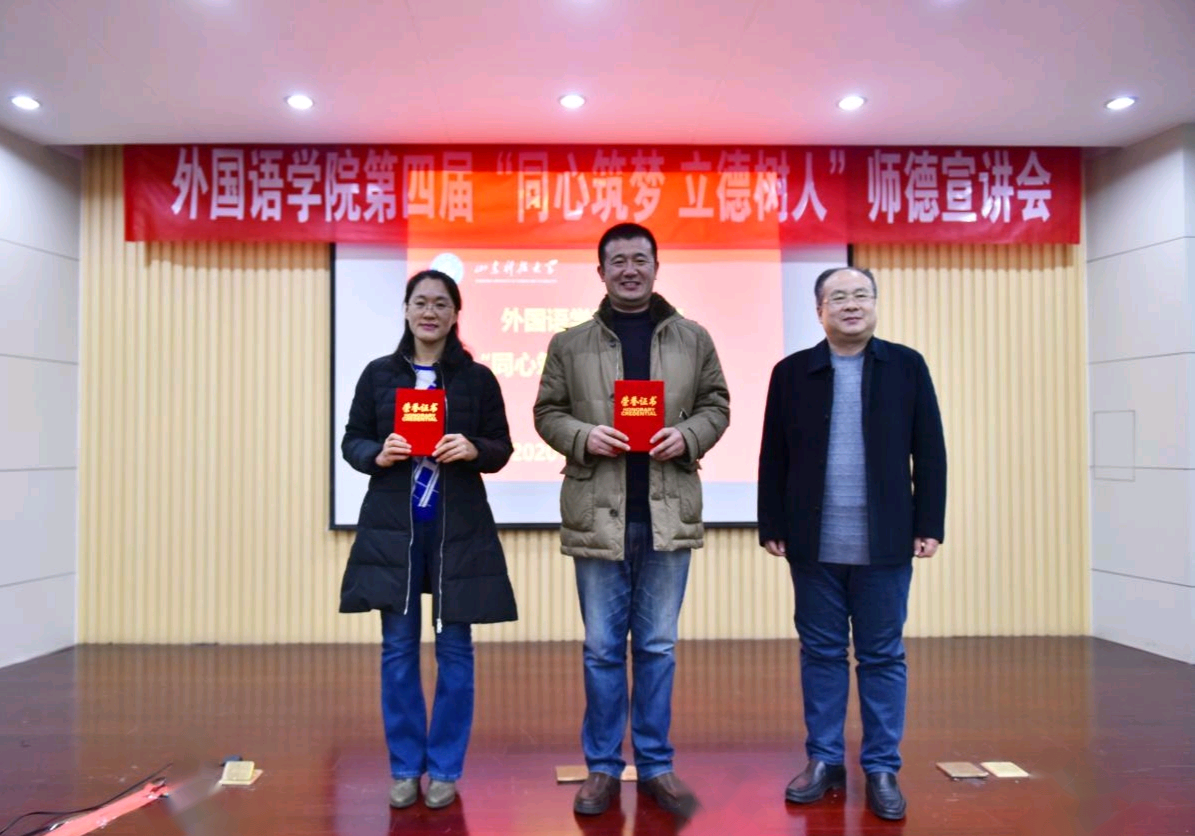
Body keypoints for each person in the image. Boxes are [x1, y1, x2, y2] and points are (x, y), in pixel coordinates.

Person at [533, 222, 730, 817]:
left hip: (667, 515)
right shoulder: (570, 344)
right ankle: (601, 768)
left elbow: (717, 405)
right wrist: (583, 436)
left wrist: (689, 435)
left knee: (657, 648)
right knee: (601, 650)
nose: (629, 269)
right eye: (617, 260)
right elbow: (547, 412)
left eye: (639, 259)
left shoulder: (693, 338)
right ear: (600, 272)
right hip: (600, 517)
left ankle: (656, 764)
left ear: (655, 267)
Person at [757, 266, 946, 821]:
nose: (851, 305)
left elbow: (929, 450)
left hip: (885, 541)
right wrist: (772, 523)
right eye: (838, 297)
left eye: (861, 295)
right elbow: (773, 454)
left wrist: (929, 522)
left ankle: (882, 766)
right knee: (821, 653)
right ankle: (824, 760)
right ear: (819, 311)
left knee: (882, 655)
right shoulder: (792, 372)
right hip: (813, 543)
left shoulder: (906, 366)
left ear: (875, 304)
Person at [340, 269, 518, 810]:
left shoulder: (477, 379)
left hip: (455, 532)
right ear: (406, 310)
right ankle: (404, 768)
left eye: (441, 303)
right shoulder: (378, 375)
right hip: (395, 533)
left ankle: (443, 769)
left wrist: (474, 449)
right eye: (421, 302)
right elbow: (352, 441)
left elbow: (501, 446)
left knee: (455, 653)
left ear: (455, 314)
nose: (430, 312)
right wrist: (377, 453)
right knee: (397, 652)